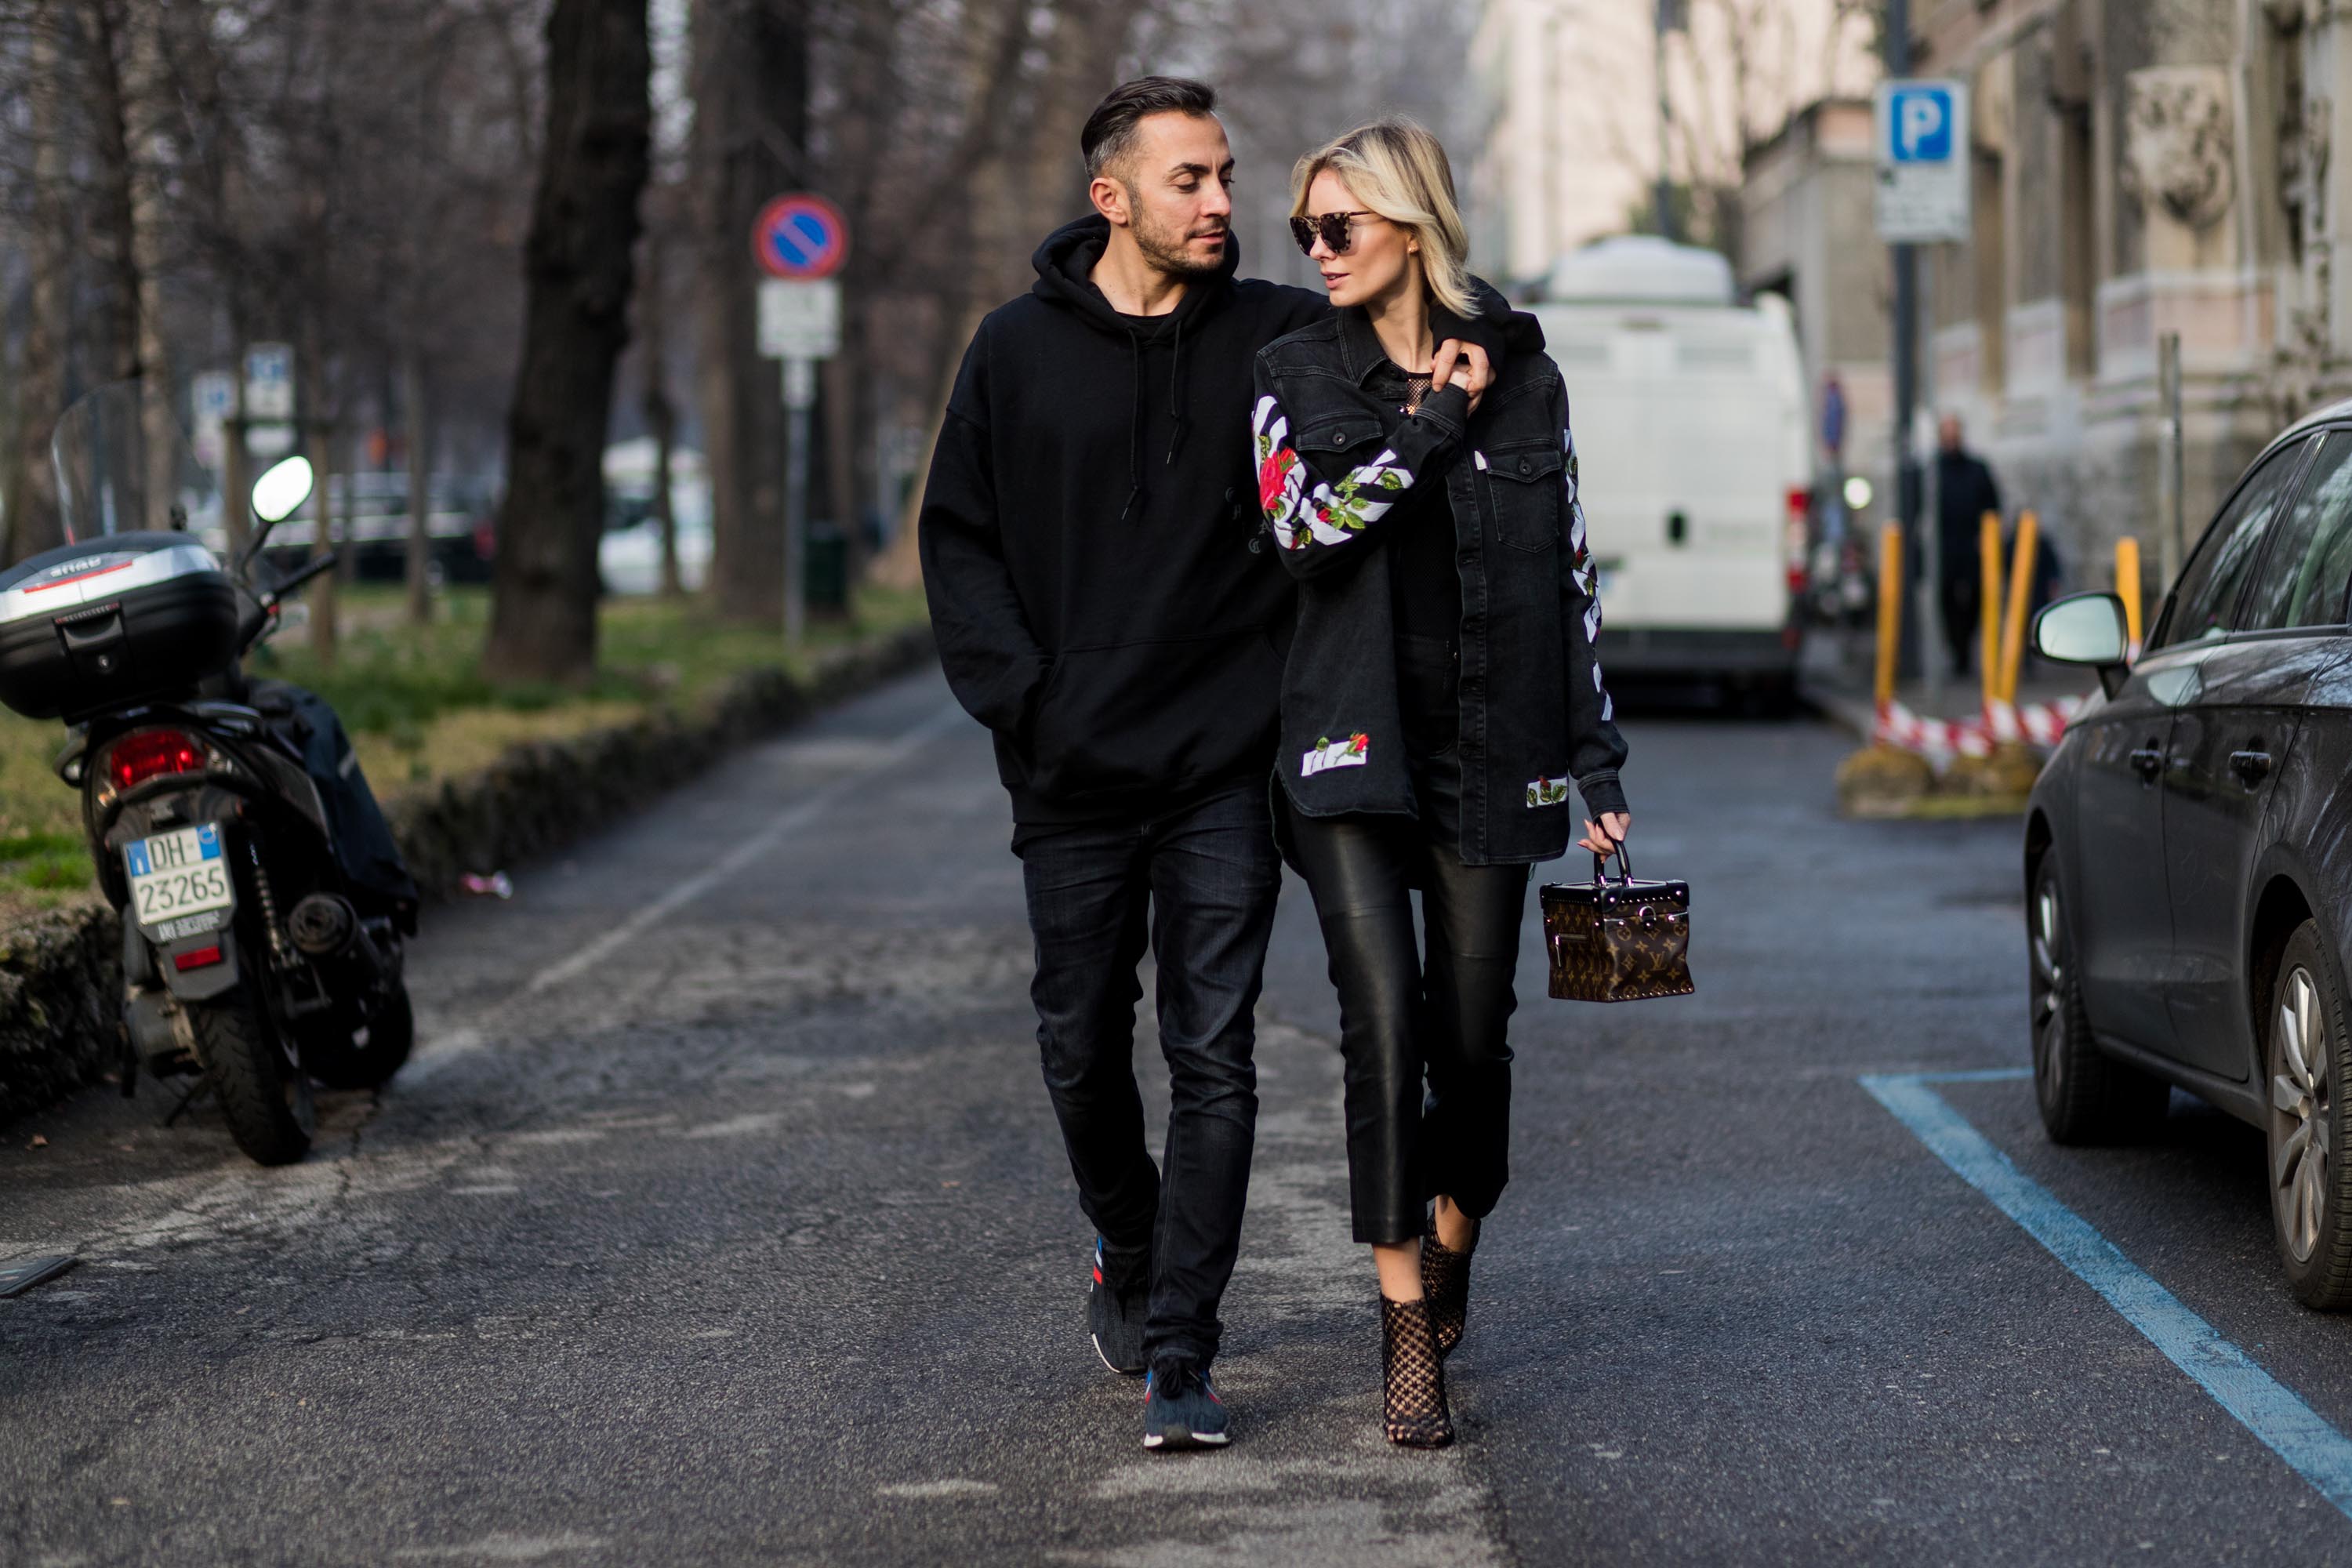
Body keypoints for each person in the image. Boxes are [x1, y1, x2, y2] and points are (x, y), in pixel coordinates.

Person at [918, 78, 1509, 1454]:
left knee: (1216, 1055)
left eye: (1227, 176)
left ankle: (1182, 1343)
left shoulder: (1277, 335)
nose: (1221, 206)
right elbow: (961, 548)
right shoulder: (1011, 352)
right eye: (1191, 180)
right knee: (1078, 1046)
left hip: (1221, 771)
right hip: (1067, 771)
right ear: (1110, 197)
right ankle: (1128, 1248)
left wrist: (1473, 380)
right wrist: (1030, 707)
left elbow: (1399, 344)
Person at [1248, 119, 1630, 1447]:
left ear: (1413, 228)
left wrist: (1597, 758)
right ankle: (1407, 1322)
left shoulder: (1529, 379)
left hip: (1497, 741)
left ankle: (1459, 1227)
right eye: (1303, 231)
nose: (1317, 250)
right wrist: (1431, 425)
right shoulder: (1289, 372)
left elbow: (1569, 571)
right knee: (1385, 1030)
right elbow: (1306, 531)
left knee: (1474, 1046)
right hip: (1348, 749)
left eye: (1337, 226)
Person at [1934, 413, 2004, 677]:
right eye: (1947, 434)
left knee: (1976, 597)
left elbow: (1992, 504)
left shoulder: (1976, 469)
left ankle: (1966, 645)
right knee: (1947, 600)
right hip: (1946, 546)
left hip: (1973, 545)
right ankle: (1958, 651)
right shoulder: (1933, 472)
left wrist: (1987, 536)